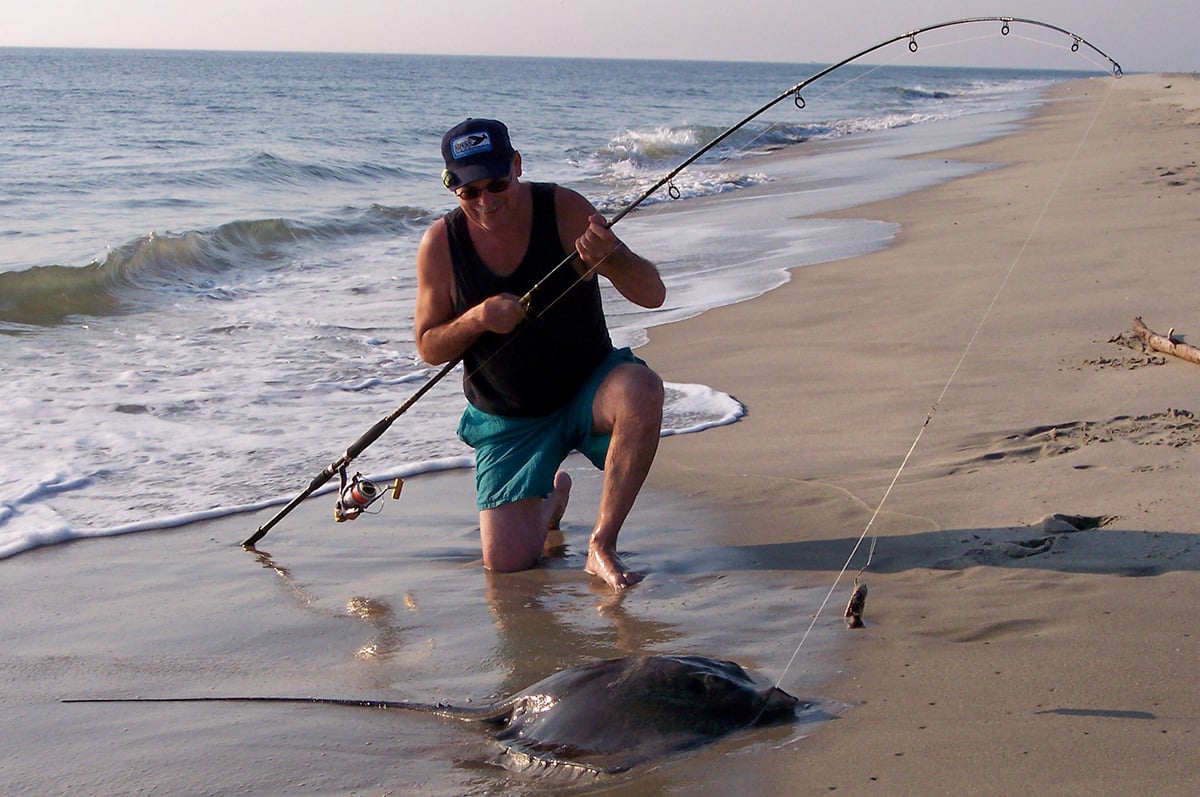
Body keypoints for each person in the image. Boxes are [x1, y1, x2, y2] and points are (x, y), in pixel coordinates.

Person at [414, 118, 666, 589]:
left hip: (589, 388)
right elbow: (428, 345)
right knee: (506, 566)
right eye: (469, 192)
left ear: (517, 165)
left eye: (496, 183)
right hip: (509, 418)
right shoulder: (441, 244)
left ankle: (601, 544)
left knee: (642, 389)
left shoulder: (564, 208)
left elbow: (652, 293)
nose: (485, 201)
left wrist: (613, 259)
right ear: (452, 189)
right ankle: (549, 498)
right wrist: (478, 319)